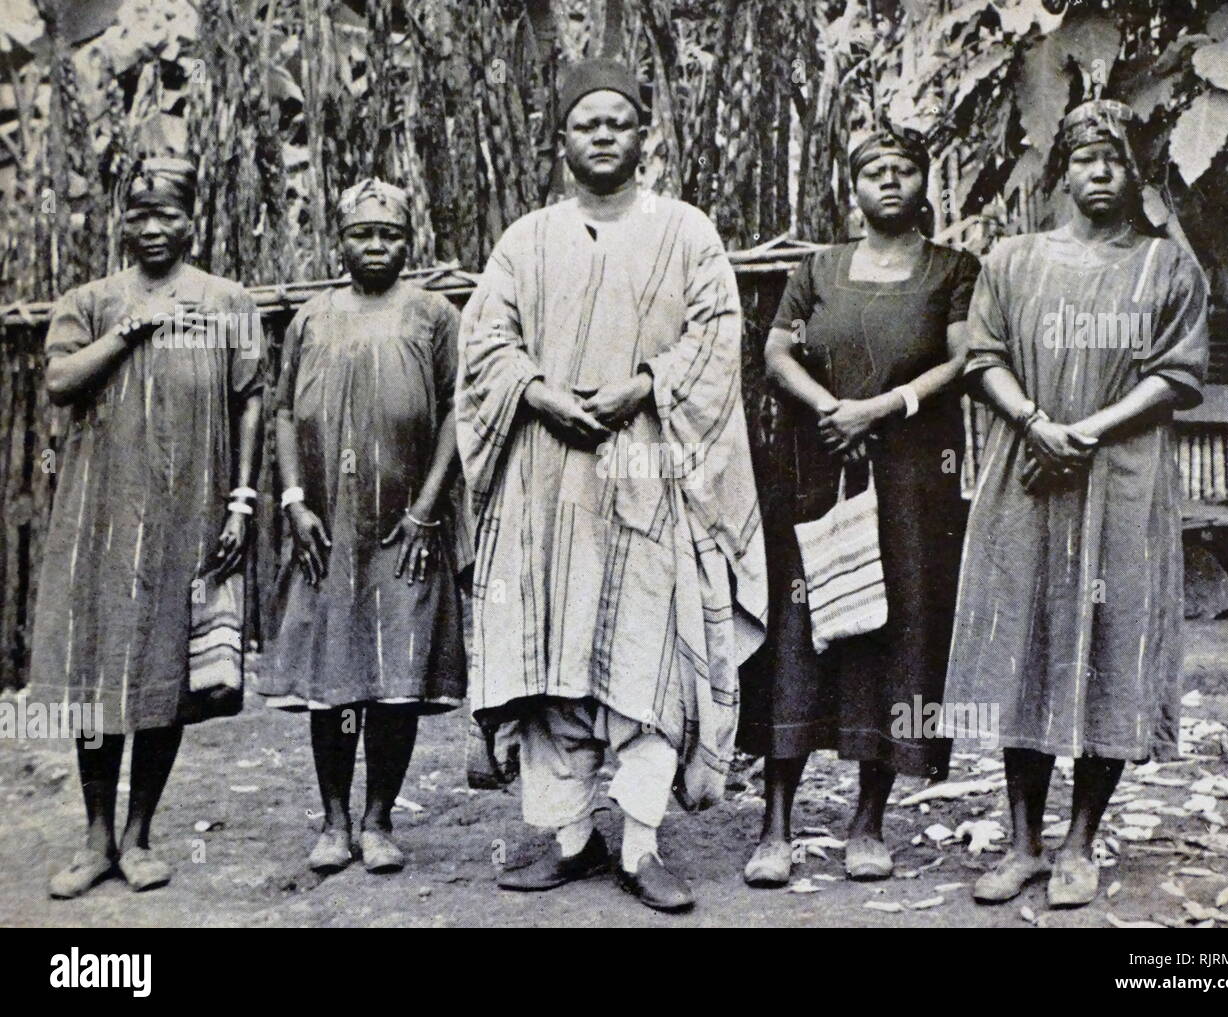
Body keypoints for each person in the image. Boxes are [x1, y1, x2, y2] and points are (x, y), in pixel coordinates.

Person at [456, 59, 767, 913]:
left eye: (617, 122)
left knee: (648, 656)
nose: (601, 135)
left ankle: (639, 842)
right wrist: (537, 391)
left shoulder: (687, 233)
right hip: (545, 483)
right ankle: (567, 837)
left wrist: (645, 383)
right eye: (584, 123)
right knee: (553, 663)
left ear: (644, 136)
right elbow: (484, 343)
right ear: (560, 143)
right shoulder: (526, 240)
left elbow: (716, 339)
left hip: (646, 471)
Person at [942, 99, 1209, 907]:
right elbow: (982, 355)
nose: (1102, 172)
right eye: (1087, 157)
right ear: (1063, 170)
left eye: (1117, 159)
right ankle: (1022, 840)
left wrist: (1082, 431)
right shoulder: (1013, 260)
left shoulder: (1168, 267)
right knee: (1021, 638)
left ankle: (1079, 842)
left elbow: (1176, 376)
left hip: (1122, 480)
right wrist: (1033, 421)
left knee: (1111, 643)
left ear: (1137, 175)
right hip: (1027, 474)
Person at [738, 125, 979, 887]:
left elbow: (965, 357)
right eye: (874, 171)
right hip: (818, 466)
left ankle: (867, 821)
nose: (888, 182)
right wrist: (832, 408)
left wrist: (883, 407)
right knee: (799, 634)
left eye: (903, 170)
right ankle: (775, 824)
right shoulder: (817, 268)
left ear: (922, 183)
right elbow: (776, 351)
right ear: (853, 186)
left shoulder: (952, 269)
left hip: (911, 481)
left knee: (895, 632)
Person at [30, 156, 264, 898]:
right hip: (99, 516)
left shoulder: (227, 301)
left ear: (193, 221)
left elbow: (250, 398)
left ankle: (139, 835)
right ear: (122, 223)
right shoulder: (91, 301)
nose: (154, 228)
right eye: (140, 215)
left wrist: (240, 501)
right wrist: (132, 328)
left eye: (168, 214)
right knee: (98, 671)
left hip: (184, 515)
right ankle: (95, 835)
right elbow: (61, 380)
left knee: (165, 671)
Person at [258, 179, 467, 875]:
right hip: (329, 527)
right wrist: (293, 500)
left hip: (405, 526)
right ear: (338, 240)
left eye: (390, 233)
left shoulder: (434, 314)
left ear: (411, 241)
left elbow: (455, 414)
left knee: (397, 672)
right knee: (334, 673)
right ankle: (334, 819)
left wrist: (424, 509)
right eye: (362, 232)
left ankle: (379, 818)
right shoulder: (311, 317)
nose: (376, 245)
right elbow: (284, 410)